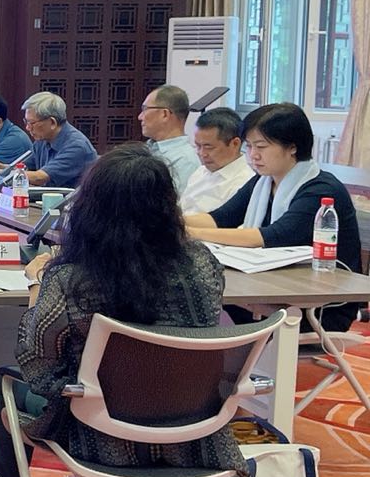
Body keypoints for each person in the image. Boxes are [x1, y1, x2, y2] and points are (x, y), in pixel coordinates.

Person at [0, 145, 245, 477]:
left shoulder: (73, 278)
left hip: (98, 433)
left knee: (7, 382)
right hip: (190, 426)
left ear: (91, 208)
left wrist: (37, 282)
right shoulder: (201, 264)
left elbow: (37, 361)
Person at [185, 102, 362, 332]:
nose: (253, 155)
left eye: (261, 146)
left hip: (320, 304)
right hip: (272, 286)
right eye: (249, 147)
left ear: (292, 147)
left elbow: (270, 236)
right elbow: (221, 218)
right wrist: (169, 221)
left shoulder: (320, 189)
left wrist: (190, 233)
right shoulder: (263, 181)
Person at [179, 108, 254, 215]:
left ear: (235, 144)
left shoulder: (245, 183)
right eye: (198, 146)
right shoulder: (201, 171)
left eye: (208, 147)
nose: (201, 153)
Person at [22, 91, 98, 187]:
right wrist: (4, 169)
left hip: (75, 196)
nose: (27, 128)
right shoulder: (42, 140)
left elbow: (40, 178)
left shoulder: (77, 146)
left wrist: (13, 176)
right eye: (26, 122)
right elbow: (23, 167)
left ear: (52, 122)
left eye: (32, 123)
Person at [140, 84, 197, 193]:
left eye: (145, 109)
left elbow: (178, 202)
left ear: (164, 114)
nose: (140, 117)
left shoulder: (185, 161)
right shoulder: (146, 148)